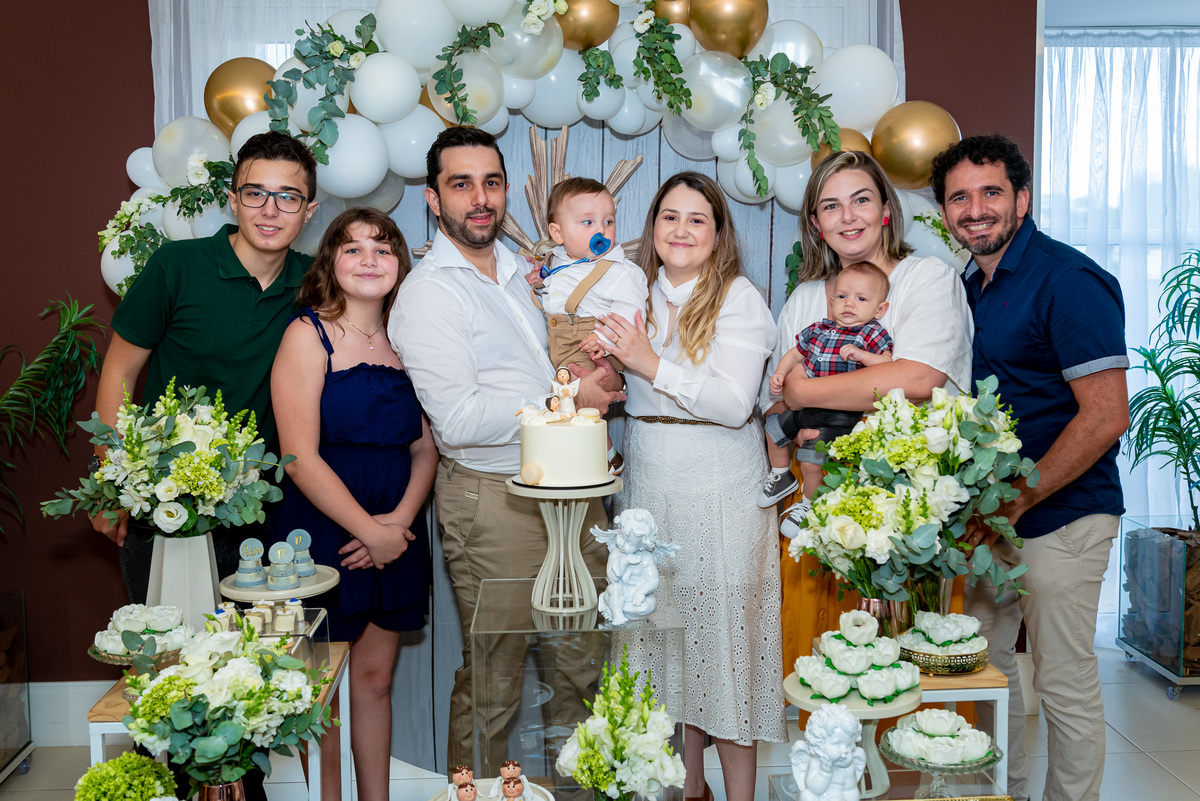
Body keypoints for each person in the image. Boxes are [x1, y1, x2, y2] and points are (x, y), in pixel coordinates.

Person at [388, 126, 624, 770]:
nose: (480, 197)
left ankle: (576, 791)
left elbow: (559, 366)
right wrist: (572, 402)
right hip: (494, 503)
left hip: (572, 495)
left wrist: (592, 379)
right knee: (494, 681)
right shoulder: (431, 293)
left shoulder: (524, 276)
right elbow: (460, 421)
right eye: (461, 184)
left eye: (491, 182)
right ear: (434, 200)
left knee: (580, 672)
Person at [92, 131, 319, 801]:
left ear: (309, 209)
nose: (270, 208)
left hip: (263, 519)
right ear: (232, 199)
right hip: (167, 510)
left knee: (249, 679)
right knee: (168, 679)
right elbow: (119, 370)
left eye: (288, 195)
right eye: (256, 192)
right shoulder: (177, 265)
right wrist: (110, 479)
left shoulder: (314, 279)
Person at [931, 134, 1129, 801]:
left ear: (1022, 198)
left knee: (1062, 679)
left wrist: (1018, 497)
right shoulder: (968, 286)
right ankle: (1000, 793)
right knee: (987, 672)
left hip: (1064, 513)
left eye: (991, 192)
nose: (975, 208)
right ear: (944, 212)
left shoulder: (1068, 280)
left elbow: (1105, 415)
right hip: (993, 521)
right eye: (960, 197)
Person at [596, 171, 784, 801]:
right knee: (660, 644)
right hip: (648, 477)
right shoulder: (628, 294)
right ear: (652, 228)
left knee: (720, 644)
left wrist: (649, 362)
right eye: (669, 216)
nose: (681, 229)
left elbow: (734, 404)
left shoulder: (737, 299)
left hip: (721, 483)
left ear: (718, 233)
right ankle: (686, 788)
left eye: (697, 218)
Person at [764, 149, 974, 686]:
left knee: (898, 670)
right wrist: (797, 402)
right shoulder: (808, 297)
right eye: (831, 206)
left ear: (886, 208)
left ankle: (903, 772)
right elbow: (773, 397)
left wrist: (807, 388)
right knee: (821, 669)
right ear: (815, 223)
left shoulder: (928, 279)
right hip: (816, 500)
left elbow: (919, 379)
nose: (848, 216)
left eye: (861, 199)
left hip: (903, 506)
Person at [271, 207, 437, 801]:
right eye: (353, 248)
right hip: (320, 533)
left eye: (383, 248)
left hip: (397, 530)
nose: (369, 259)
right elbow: (299, 456)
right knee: (322, 692)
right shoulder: (306, 333)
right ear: (330, 262)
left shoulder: (411, 336)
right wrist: (368, 531)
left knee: (373, 679)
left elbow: (425, 448)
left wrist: (396, 526)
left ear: (399, 263)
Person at [531, 176, 649, 473]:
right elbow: (556, 290)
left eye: (608, 222)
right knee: (567, 397)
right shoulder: (558, 260)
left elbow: (630, 311)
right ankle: (603, 452)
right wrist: (539, 282)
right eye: (588, 223)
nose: (602, 230)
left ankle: (607, 455)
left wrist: (604, 338)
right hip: (560, 340)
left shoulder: (618, 271)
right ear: (558, 233)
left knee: (575, 394)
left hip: (591, 344)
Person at [764, 261, 894, 516]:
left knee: (811, 460)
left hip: (838, 413)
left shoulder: (871, 335)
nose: (849, 303)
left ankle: (809, 504)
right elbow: (795, 353)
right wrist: (780, 373)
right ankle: (781, 475)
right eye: (842, 296)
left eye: (861, 298)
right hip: (805, 408)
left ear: (880, 309)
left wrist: (861, 355)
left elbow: (886, 362)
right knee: (772, 429)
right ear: (832, 299)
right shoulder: (819, 329)